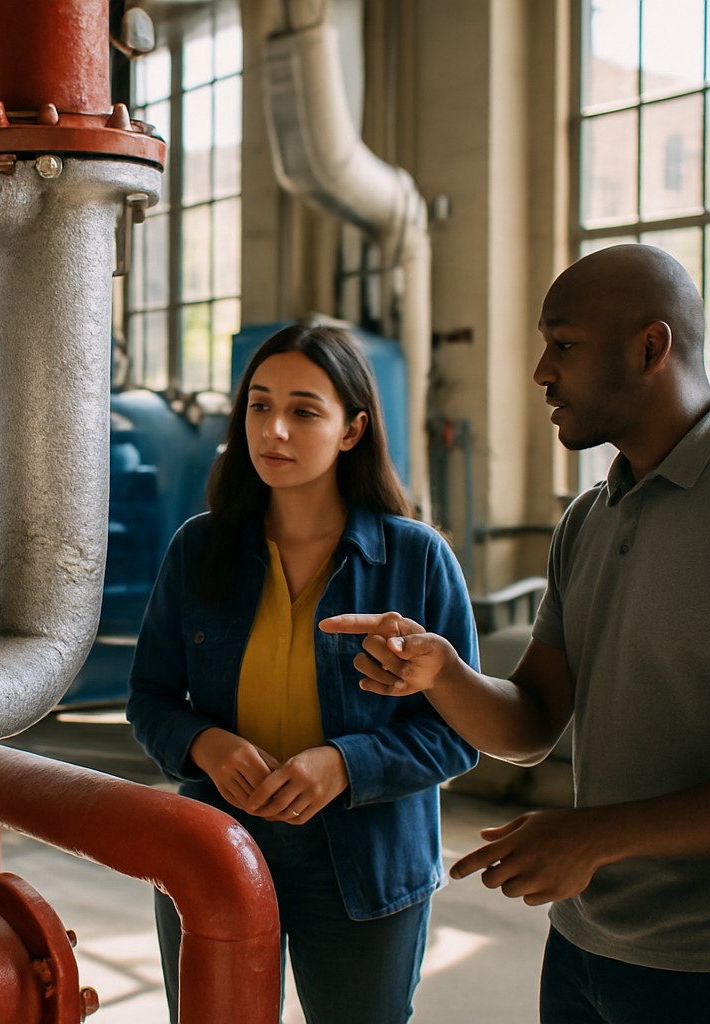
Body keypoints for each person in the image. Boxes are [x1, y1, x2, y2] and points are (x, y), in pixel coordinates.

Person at [321, 243, 710, 1022]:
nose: (540, 372)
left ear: (650, 347)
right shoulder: (587, 522)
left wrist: (594, 838)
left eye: (562, 345)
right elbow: (533, 721)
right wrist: (445, 674)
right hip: (584, 947)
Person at [126, 323, 479, 1024]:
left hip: (364, 862)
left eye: (303, 411)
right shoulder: (199, 550)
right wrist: (205, 745)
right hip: (218, 844)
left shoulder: (416, 560)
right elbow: (151, 698)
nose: (274, 429)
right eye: (259, 406)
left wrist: (344, 765)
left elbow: (458, 734)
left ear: (352, 430)